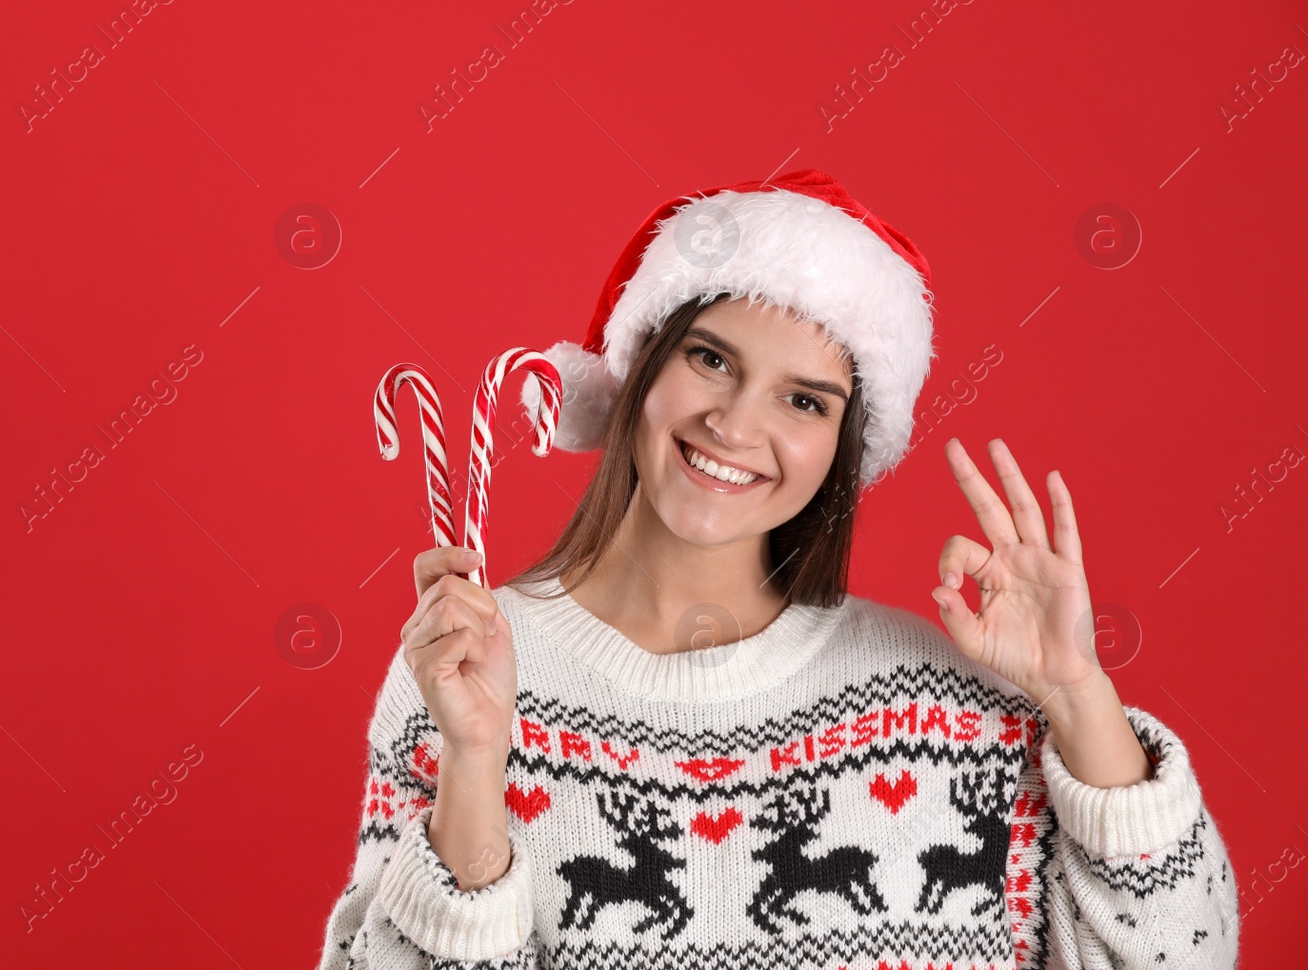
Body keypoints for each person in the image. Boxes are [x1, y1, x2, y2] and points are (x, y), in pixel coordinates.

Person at [317, 170, 1240, 969]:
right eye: (712, 358)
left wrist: (1078, 694)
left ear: (842, 444)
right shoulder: (464, 678)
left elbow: (1186, 951)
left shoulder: (949, 707)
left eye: (804, 399)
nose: (736, 424)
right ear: (641, 366)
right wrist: (476, 765)